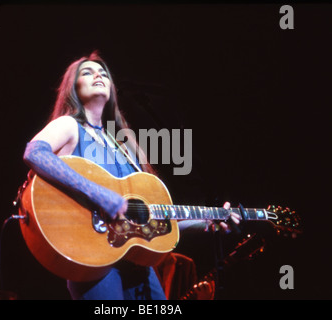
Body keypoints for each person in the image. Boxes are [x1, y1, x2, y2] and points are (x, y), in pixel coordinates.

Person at [22, 51, 240, 300]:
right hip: (95, 263)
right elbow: (34, 152)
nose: (98, 75)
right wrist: (100, 195)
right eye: (88, 72)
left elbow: (153, 214)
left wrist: (209, 222)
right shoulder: (69, 125)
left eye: (104, 73)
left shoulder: (124, 143)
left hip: (140, 267)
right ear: (73, 87)